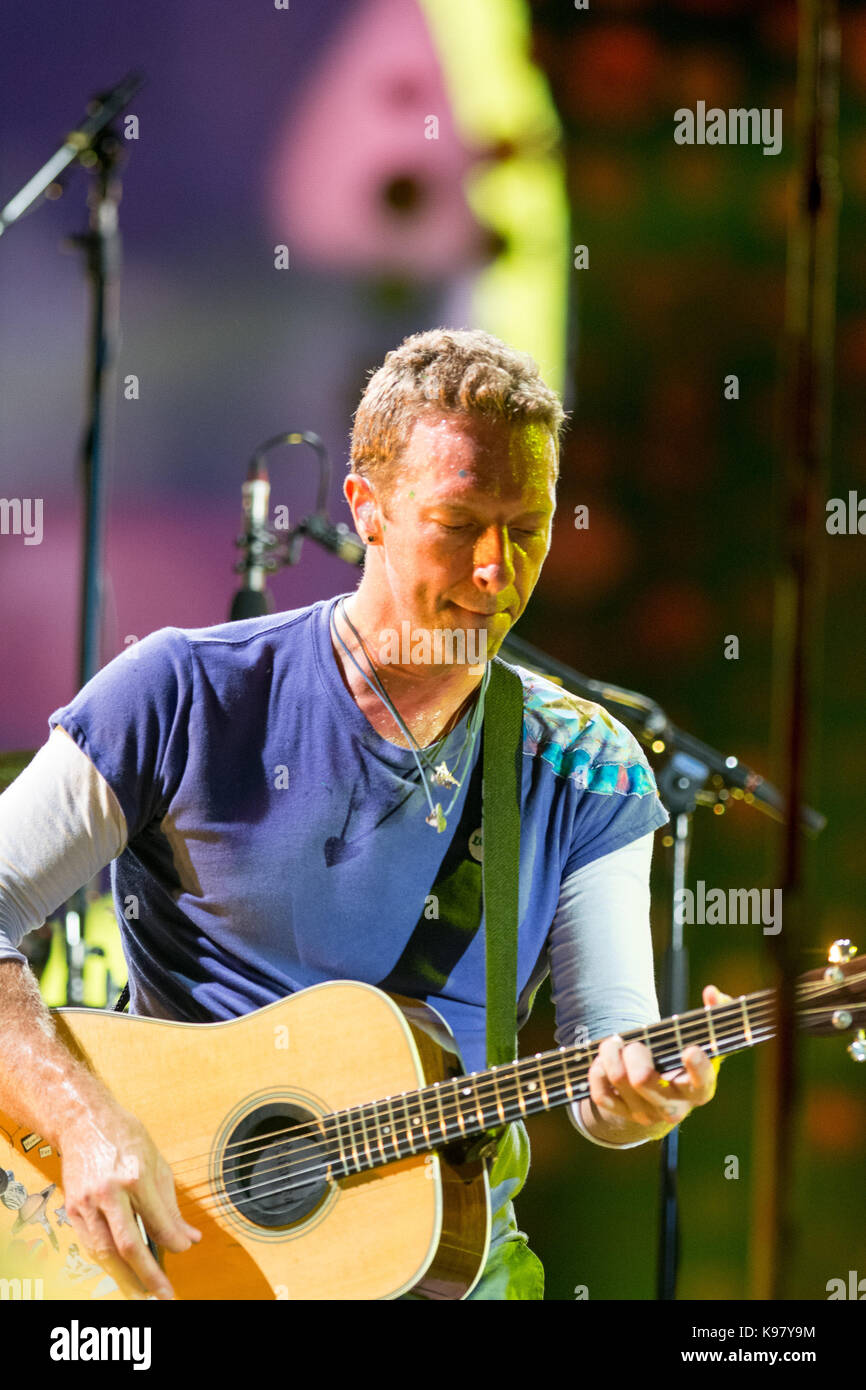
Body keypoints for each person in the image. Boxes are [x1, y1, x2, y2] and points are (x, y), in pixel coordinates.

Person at [0, 327, 727, 1301]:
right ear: (365, 508)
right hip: (172, 1262)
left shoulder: (584, 764)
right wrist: (85, 1122)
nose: (492, 571)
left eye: (527, 527)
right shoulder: (179, 691)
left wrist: (643, 1099)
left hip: (448, 1274)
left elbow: (607, 1067)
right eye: (457, 521)